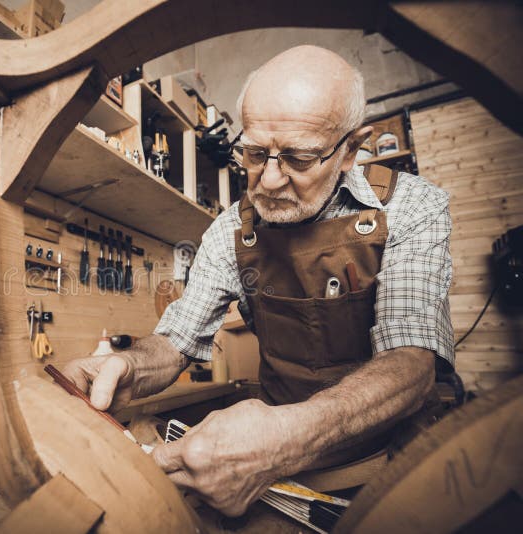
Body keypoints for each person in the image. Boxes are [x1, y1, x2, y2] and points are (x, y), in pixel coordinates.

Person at [62, 45, 454, 517]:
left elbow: (409, 364)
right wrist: (127, 367)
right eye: (253, 152)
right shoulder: (230, 230)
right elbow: (177, 340)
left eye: (299, 158)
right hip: (278, 475)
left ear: (351, 148)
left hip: (391, 462)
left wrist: (285, 438)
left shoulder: (411, 208)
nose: (268, 179)